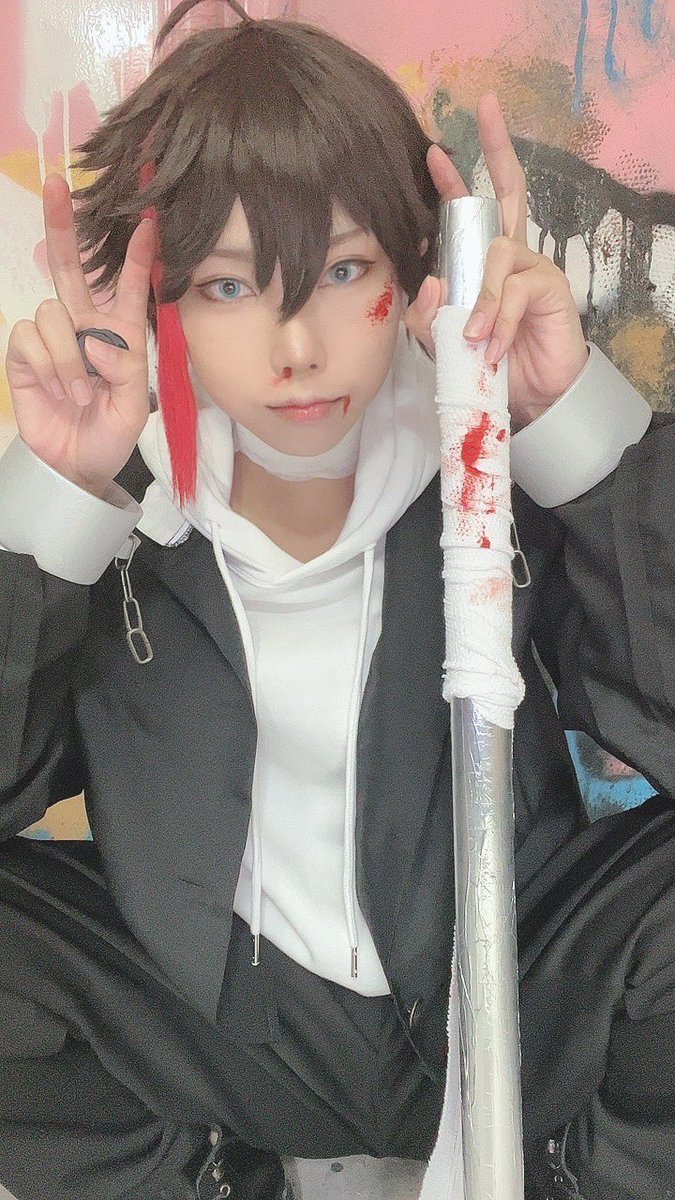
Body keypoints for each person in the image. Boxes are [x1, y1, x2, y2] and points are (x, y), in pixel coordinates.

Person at [0, 2, 673, 1198]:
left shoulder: (481, 467)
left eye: (344, 270)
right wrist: (56, 497)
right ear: (164, 297)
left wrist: (567, 422)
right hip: (229, 1023)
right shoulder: (131, 519)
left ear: (409, 263)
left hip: (504, 988)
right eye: (229, 285)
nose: (297, 346)